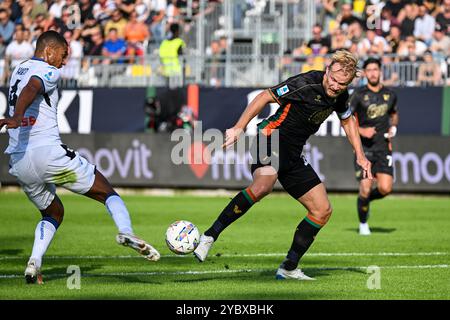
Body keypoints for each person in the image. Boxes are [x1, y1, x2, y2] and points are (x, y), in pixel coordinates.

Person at [193, 50, 372, 280]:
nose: (336, 87)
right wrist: (239, 127)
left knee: (322, 210)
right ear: (327, 70)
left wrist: (360, 154)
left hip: (293, 153)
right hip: (270, 137)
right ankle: (209, 236)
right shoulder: (304, 84)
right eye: (334, 80)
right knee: (262, 186)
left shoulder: (340, 94)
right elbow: (264, 97)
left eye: (342, 84)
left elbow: (347, 119)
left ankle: (289, 268)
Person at [0, 31, 160, 285]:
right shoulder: (49, 71)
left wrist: (17, 118)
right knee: (107, 192)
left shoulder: (19, 69)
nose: (64, 63)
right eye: (63, 56)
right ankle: (126, 232)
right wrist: (18, 116)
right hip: (48, 154)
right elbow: (33, 87)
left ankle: (34, 263)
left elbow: (27, 87)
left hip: (19, 160)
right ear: (48, 51)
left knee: (53, 212)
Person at [347, 57, 399, 236]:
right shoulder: (358, 95)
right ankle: (363, 225)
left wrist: (393, 127)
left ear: (380, 71)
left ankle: (364, 202)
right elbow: (346, 120)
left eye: (375, 69)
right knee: (365, 187)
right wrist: (361, 130)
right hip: (365, 150)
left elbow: (394, 115)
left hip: (383, 148)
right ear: (365, 73)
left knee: (386, 188)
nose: (373, 73)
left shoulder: (390, 94)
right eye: (369, 70)